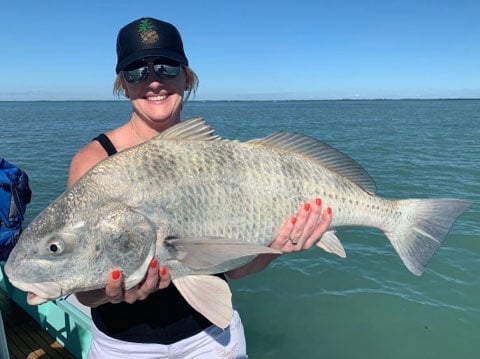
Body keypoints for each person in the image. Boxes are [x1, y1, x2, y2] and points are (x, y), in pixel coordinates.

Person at [68, 17, 333, 359]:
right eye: (136, 71)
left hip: (211, 339)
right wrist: (110, 292)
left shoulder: (217, 160)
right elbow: (83, 292)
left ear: (186, 76)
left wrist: (278, 248)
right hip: (124, 347)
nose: (153, 82)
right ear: (123, 84)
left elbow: (234, 270)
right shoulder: (94, 161)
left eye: (166, 66)